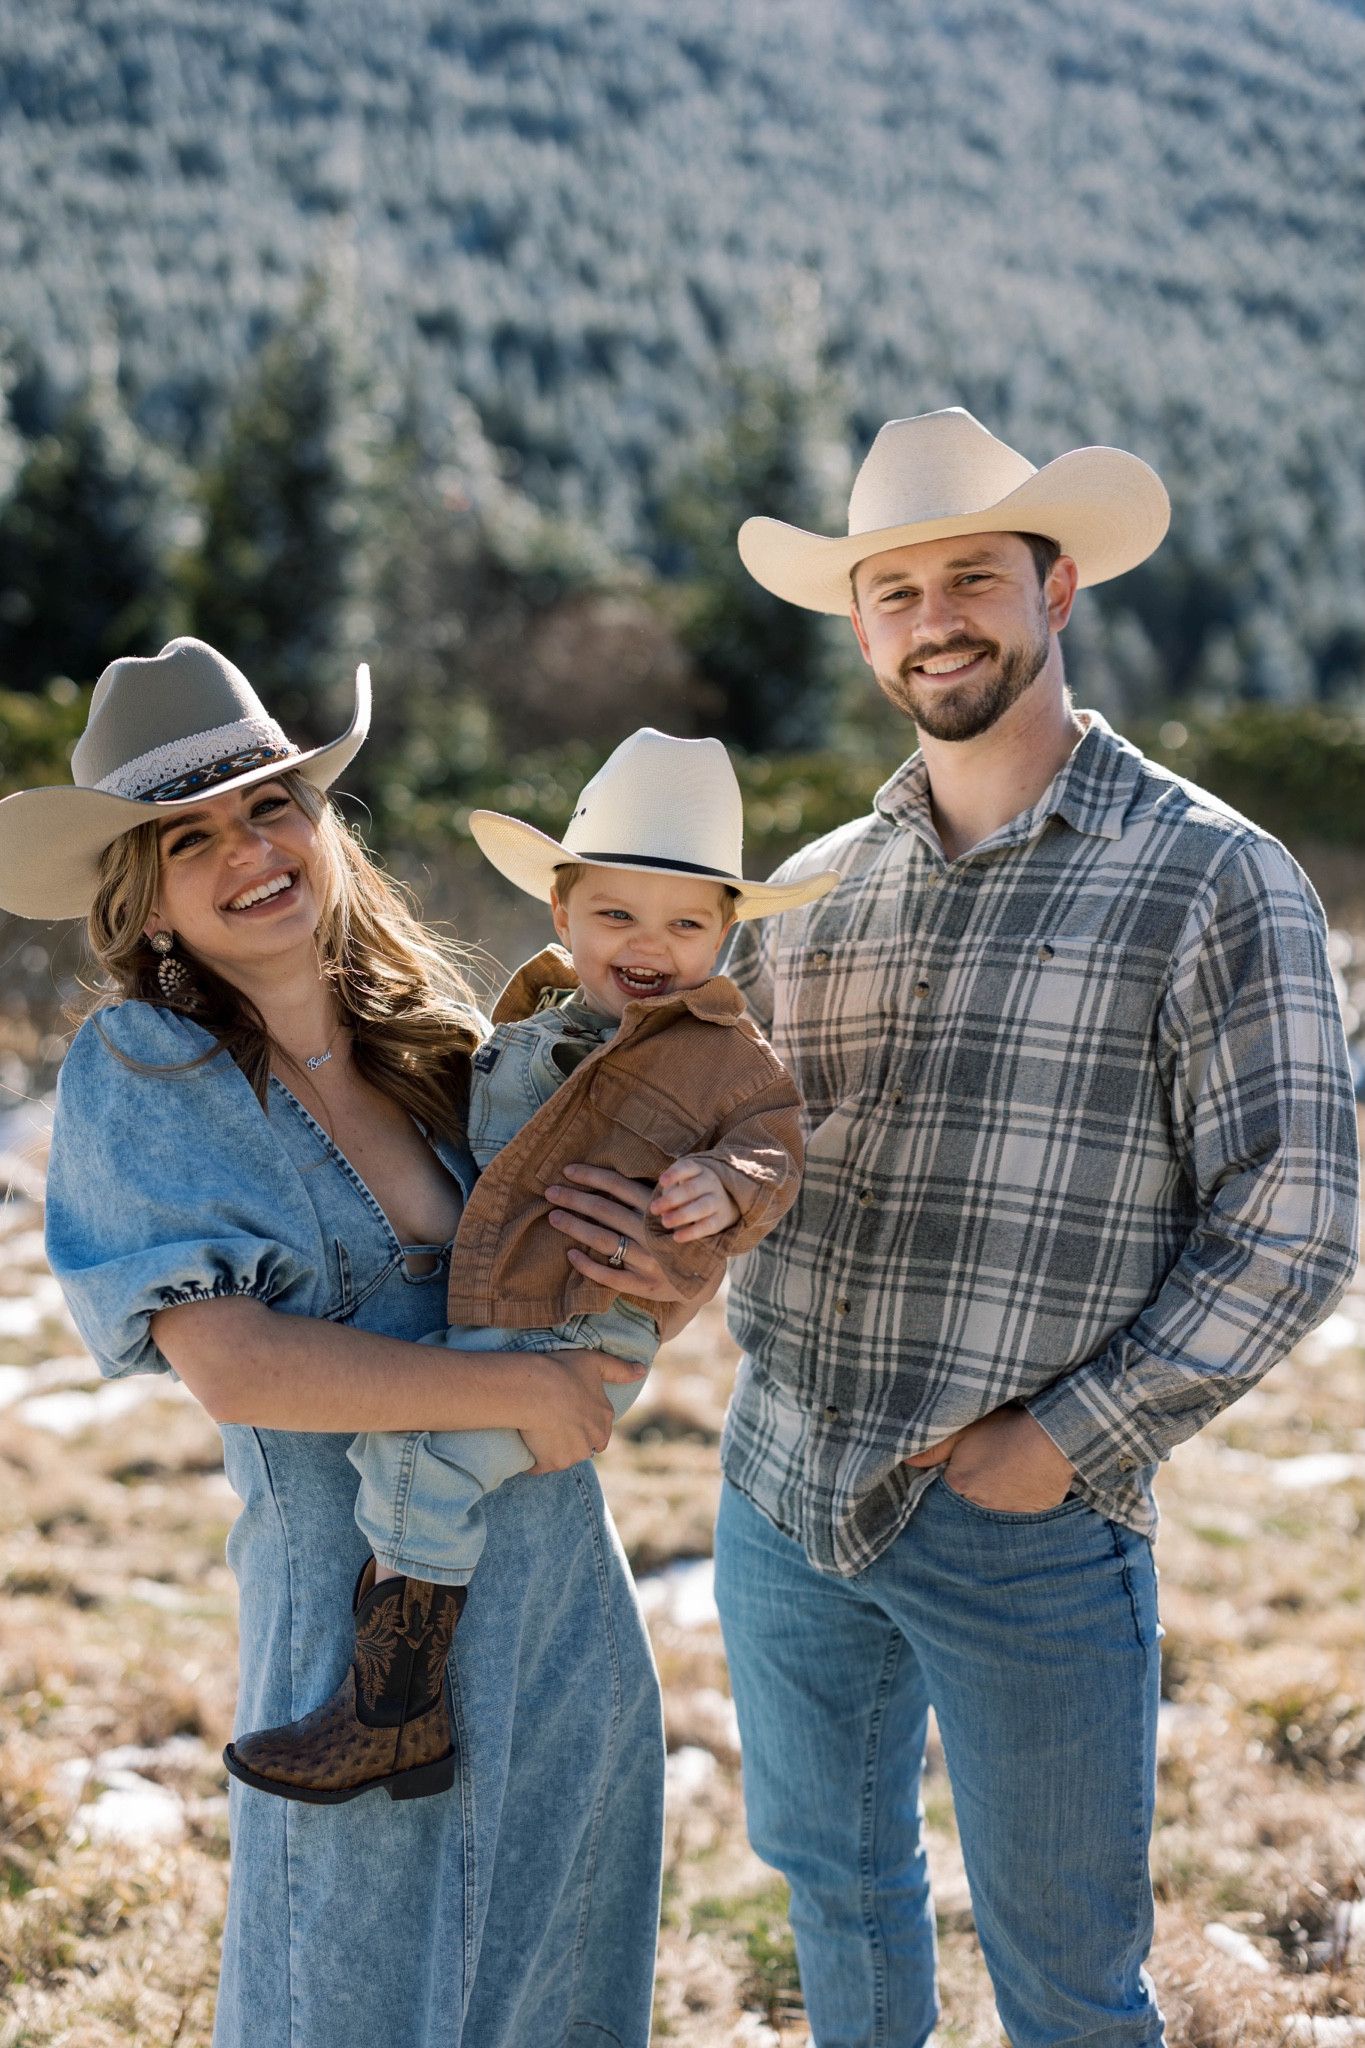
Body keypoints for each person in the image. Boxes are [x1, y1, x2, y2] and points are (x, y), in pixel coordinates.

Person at [712, 408, 1359, 2048]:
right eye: (896, 590)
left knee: (1067, 1982)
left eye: (972, 578)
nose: (936, 619)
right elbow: (747, 1155)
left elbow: (1295, 1219)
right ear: (861, 625)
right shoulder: (814, 888)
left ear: (1054, 585)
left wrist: (1063, 1437)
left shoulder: (1212, 874)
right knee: (837, 1899)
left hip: (1027, 1520)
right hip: (781, 1483)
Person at [2, 636, 695, 2047]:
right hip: (354, 1638)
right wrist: (521, 1385)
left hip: (562, 1594)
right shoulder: (144, 1069)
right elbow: (234, 1363)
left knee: (559, 1984)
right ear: (143, 897)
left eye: (270, 805)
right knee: (354, 1994)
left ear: (320, 823)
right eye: (188, 837)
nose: (247, 851)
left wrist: (659, 1258)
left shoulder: (451, 1041)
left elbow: (581, 1296)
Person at [223, 727, 834, 1803]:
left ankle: (394, 1709)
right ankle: (400, 1699)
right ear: (562, 914)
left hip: (575, 1319)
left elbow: (774, 1141)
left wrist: (725, 1186)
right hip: (501, 1301)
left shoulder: (721, 1054)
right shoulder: (533, 1019)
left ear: (726, 935)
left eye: (687, 923)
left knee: (417, 1463)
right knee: (406, 1448)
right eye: (616, 915)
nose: (650, 945)